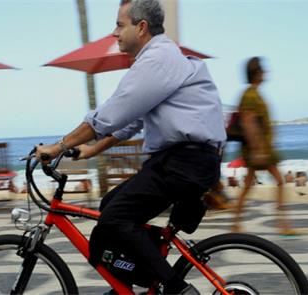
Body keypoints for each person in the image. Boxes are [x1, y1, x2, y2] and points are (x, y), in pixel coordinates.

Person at [36, 1, 225, 293]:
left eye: (119, 24)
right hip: (184, 161)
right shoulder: (160, 60)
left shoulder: (158, 60)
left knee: (115, 218)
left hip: (183, 163)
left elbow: (113, 113)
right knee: (110, 207)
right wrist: (89, 151)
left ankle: (177, 289)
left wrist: (59, 145)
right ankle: (131, 285)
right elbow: (131, 121)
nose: (114, 33)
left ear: (141, 27)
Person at [232, 57, 296, 235]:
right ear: (256, 73)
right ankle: (283, 224)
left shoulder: (253, 93)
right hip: (259, 150)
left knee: (248, 186)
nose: (265, 73)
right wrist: (258, 149)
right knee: (279, 182)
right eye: (263, 70)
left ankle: (236, 224)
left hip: (259, 149)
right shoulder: (251, 95)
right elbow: (248, 122)